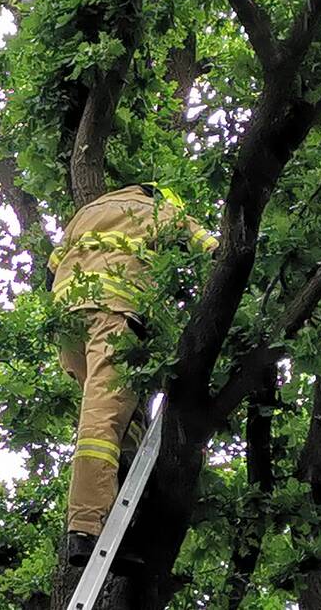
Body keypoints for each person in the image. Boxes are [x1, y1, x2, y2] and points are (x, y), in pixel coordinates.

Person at [48, 182, 218, 574]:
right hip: (114, 311)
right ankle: (86, 528)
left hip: (68, 323)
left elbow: (51, 270)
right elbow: (213, 253)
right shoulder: (163, 212)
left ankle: (118, 524)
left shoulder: (86, 213)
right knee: (103, 420)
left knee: (123, 419)